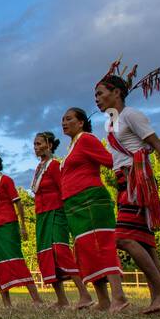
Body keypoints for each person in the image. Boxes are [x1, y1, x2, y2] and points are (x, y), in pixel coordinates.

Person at [95, 63, 160, 314]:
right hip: (125, 182)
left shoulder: (132, 115)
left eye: (101, 94)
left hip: (138, 181)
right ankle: (158, 295)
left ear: (116, 93)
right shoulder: (112, 124)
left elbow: (159, 146)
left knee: (123, 237)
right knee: (145, 242)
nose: (97, 100)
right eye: (95, 96)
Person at [60, 107, 128, 313]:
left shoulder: (87, 139)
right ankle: (103, 300)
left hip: (91, 200)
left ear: (81, 122)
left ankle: (119, 297)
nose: (64, 122)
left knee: (102, 245)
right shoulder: (71, 147)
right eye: (62, 119)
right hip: (74, 205)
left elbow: (110, 161)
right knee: (86, 249)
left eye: (69, 118)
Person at [29, 131, 92, 309]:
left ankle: (84, 294)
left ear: (49, 145)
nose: (36, 147)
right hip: (41, 214)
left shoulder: (55, 165)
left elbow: (63, 188)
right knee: (46, 254)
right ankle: (62, 299)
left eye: (39, 143)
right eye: (34, 144)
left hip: (57, 212)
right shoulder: (39, 168)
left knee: (60, 250)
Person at [0, 151, 43, 307]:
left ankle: (37, 300)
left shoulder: (6, 180)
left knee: (15, 259)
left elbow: (18, 203)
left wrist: (23, 226)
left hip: (8, 225)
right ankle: (6, 303)